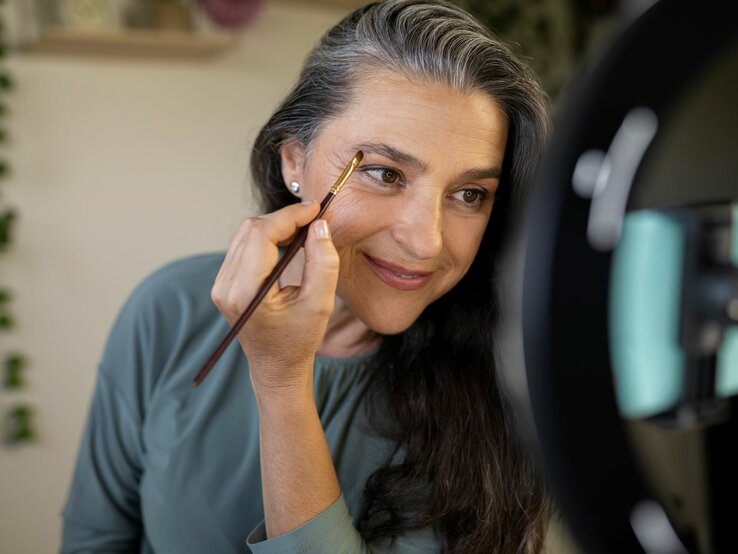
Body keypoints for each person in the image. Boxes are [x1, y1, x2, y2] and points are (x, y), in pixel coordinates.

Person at [61, 1, 551, 552]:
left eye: (469, 194)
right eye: (385, 173)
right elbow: (94, 539)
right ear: (293, 161)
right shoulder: (167, 310)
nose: (427, 241)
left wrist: (282, 385)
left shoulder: (506, 391)